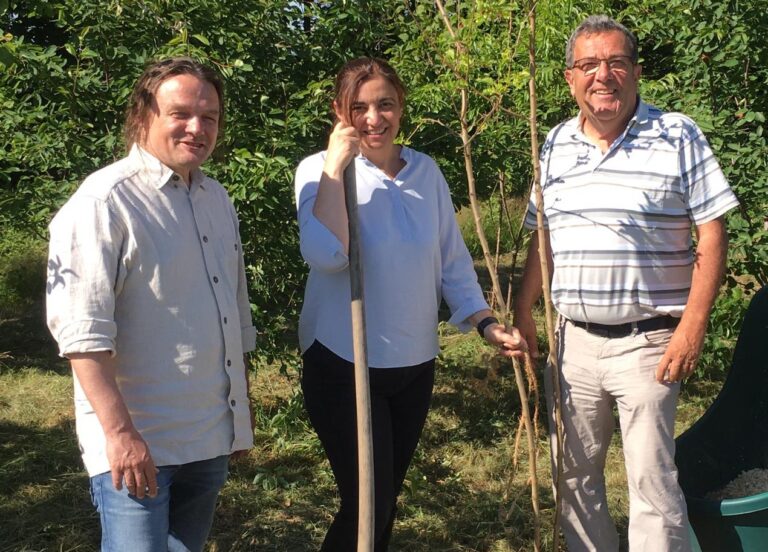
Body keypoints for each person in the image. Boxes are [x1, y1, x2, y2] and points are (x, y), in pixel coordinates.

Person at [513, 15, 739, 552]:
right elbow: (541, 240)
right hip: (571, 345)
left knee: (652, 485)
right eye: (589, 65)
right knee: (573, 478)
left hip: (650, 342)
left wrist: (693, 326)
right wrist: (524, 312)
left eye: (616, 63)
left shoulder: (676, 134)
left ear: (636, 72)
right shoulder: (553, 144)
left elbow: (712, 235)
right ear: (570, 78)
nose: (603, 76)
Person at [294, 57, 526, 551]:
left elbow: (450, 259)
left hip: (414, 362)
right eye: (359, 107)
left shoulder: (426, 171)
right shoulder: (317, 172)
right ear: (339, 111)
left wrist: (484, 321)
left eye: (385, 104)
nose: (374, 118)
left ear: (401, 108)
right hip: (344, 361)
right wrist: (337, 167)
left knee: (386, 502)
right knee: (367, 505)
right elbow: (325, 254)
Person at [46, 57, 256, 552]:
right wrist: (120, 436)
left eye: (210, 117)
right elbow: (82, 334)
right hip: (138, 445)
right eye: (180, 113)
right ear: (143, 117)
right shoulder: (104, 202)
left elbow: (234, 311)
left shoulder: (216, 198)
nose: (197, 127)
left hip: (208, 436)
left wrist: (238, 419)